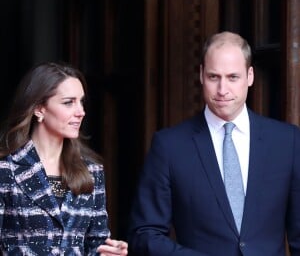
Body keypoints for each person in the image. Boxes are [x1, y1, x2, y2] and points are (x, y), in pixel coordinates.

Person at [128, 31, 300, 255]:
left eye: (232, 77)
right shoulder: (169, 146)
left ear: (250, 76)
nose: (222, 90)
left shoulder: (287, 141)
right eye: (213, 77)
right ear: (201, 75)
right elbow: (144, 233)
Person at [0, 62, 128, 256]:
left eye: (81, 102)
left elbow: (96, 243)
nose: (81, 111)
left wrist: (109, 252)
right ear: (39, 109)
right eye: (68, 102)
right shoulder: (6, 170)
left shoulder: (92, 171)